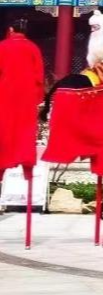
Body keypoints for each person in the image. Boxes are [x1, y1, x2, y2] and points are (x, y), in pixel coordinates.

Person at [0, 18, 45, 184]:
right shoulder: (33, 48)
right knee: (24, 132)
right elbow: (39, 77)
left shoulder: (2, 46)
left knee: (4, 131)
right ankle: (27, 168)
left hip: (4, 96)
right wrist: (37, 99)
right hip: (27, 99)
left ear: (11, 29)